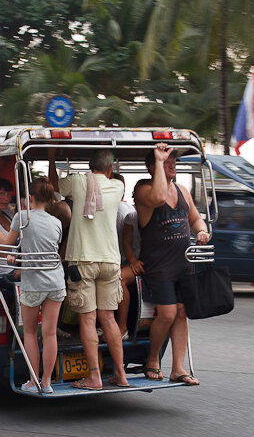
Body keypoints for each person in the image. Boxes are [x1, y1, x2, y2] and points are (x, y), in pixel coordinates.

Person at [48, 148, 130, 390]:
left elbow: (54, 184)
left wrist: (53, 158)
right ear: (110, 169)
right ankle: (121, 374)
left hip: (83, 260)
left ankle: (94, 377)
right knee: (108, 319)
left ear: (89, 165)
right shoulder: (118, 187)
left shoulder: (79, 182)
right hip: (110, 261)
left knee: (88, 319)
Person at [134, 143, 210, 386]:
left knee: (181, 313)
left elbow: (196, 218)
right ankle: (153, 359)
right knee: (166, 314)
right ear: (152, 167)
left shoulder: (182, 190)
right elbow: (158, 197)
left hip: (183, 264)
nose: (171, 166)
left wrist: (202, 232)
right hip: (159, 265)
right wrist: (158, 161)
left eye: (172, 162)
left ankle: (178, 367)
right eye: (166, 163)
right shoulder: (144, 190)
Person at [0, 178, 64, 394]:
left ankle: (32, 381)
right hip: (56, 280)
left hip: (33, 283)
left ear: (28, 197)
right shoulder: (56, 222)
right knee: (49, 334)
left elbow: (5, 242)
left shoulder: (22, 217)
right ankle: (46, 383)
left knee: (30, 332)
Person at [115, 195, 142, 339]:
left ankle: (122, 327)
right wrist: (133, 261)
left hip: (153, 263)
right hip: (134, 261)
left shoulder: (158, 216)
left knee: (119, 278)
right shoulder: (132, 216)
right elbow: (126, 242)